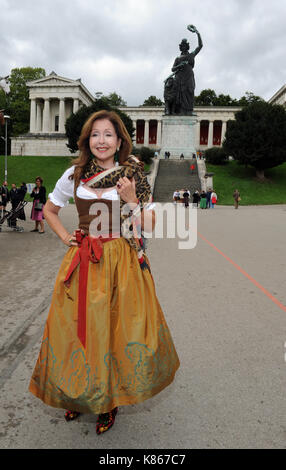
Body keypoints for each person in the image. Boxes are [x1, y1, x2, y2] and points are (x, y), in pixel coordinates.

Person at [29, 110, 180, 435]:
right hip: (83, 261)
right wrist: (65, 236)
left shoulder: (133, 174)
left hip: (121, 262)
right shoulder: (74, 174)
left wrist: (131, 201)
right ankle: (78, 393)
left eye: (108, 134)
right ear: (87, 140)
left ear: (119, 140)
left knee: (113, 331)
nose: (101, 140)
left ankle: (107, 400)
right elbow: (50, 210)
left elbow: (153, 225)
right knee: (75, 330)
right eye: (95, 134)